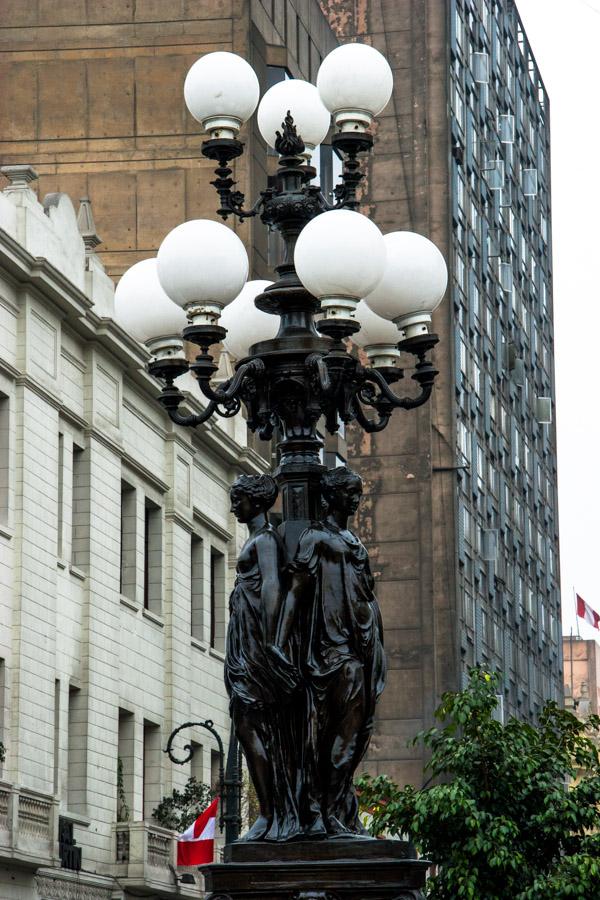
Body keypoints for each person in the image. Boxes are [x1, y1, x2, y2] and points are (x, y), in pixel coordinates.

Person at [273, 466, 387, 836]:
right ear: (330, 496)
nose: (355, 499)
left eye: (357, 492)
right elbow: (296, 591)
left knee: (357, 733)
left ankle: (338, 807)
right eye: (348, 492)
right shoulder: (316, 538)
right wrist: (279, 642)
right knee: (335, 735)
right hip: (331, 652)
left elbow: (367, 596)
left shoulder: (353, 541)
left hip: (363, 648)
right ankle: (323, 809)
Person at [225, 473, 299, 841]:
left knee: (249, 722)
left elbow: (273, 585)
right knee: (246, 723)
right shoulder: (256, 538)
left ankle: (270, 813)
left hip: (256, 643)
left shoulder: (266, 539)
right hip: (245, 639)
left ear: (256, 501)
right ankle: (270, 812)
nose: (233, 504)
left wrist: (272, 641)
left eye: (238, 498)